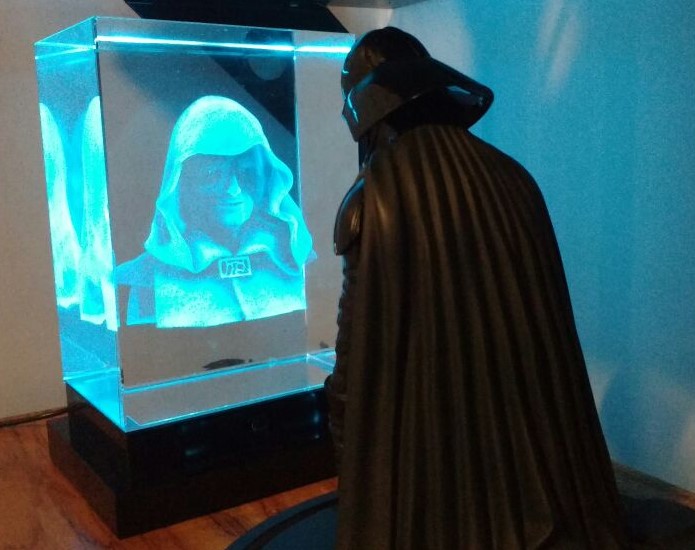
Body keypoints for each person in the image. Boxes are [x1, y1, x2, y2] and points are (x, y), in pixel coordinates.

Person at [324, 27, 630, 549]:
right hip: (539, 452)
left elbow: (356, 351)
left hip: (432, 463)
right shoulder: (514, 176)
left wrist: (344, 421)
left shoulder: (373, 197)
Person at [117, 95, 314, 328]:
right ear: (181, 184)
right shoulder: (144, 281)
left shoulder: (296, 258)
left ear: (266, 178)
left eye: (246, 172)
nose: (233, 189)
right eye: (212, 175)